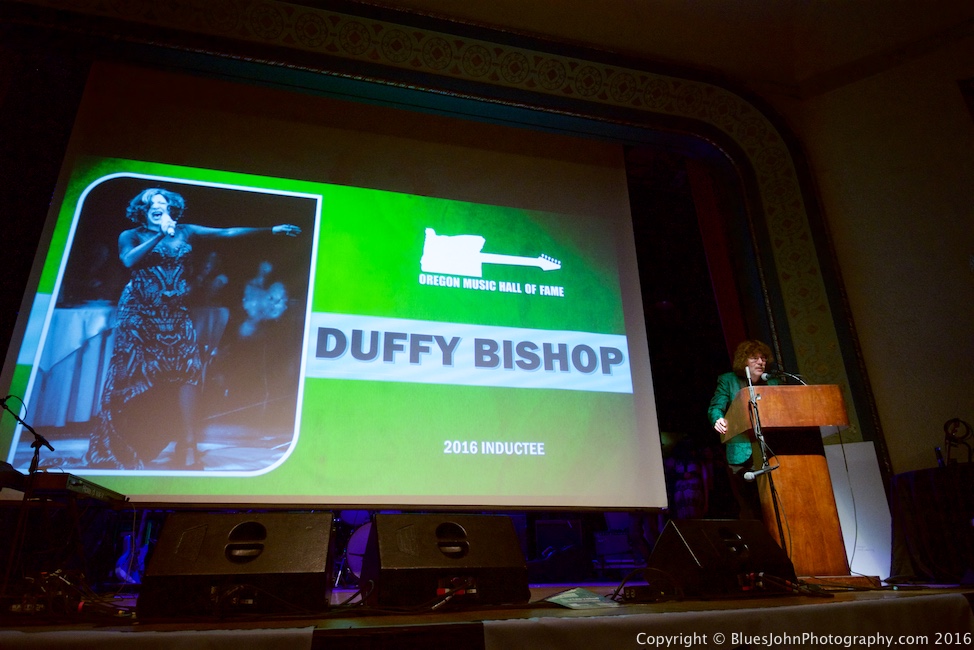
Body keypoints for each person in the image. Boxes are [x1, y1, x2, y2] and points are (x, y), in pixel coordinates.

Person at [83, 187, 302, 470]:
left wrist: (270, 230)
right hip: (139, 312)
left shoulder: (186, 231)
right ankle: (126, 440)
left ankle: (187, 444)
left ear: (170, 207)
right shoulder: (131, 235)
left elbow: (227, 233)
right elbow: (128, 260)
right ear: (142, 210)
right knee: (134, 374)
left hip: (175, 312)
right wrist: (161, 235)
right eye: (152, 203)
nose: (158, 206)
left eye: (163, 203)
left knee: (187, 371)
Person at [707, 339, 780, 519]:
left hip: (772, 451)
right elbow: (715, 407)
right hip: (741, 455)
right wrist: (718, 419)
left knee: (773, 507)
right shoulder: (728, 380)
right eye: (754, 358)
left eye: (763, 358)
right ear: (743, 361)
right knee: (750, 510)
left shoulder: (774, 383)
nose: (760, 362)